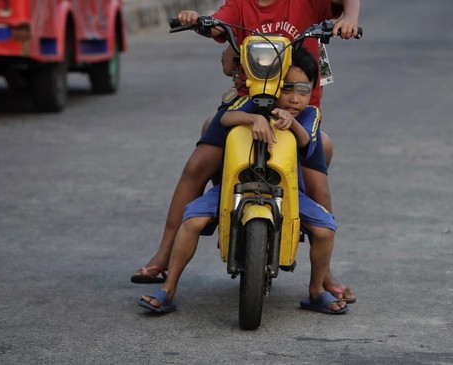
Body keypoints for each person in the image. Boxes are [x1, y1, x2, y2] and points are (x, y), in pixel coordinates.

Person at [131, 0, 360, 303]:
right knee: (197, 166)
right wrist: (198, 20)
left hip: (298, 110)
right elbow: (216, 23)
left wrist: (350, 18)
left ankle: (324, 274)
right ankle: (164, 254)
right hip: (247, 101)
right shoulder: (240, 4)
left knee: (318, 186)